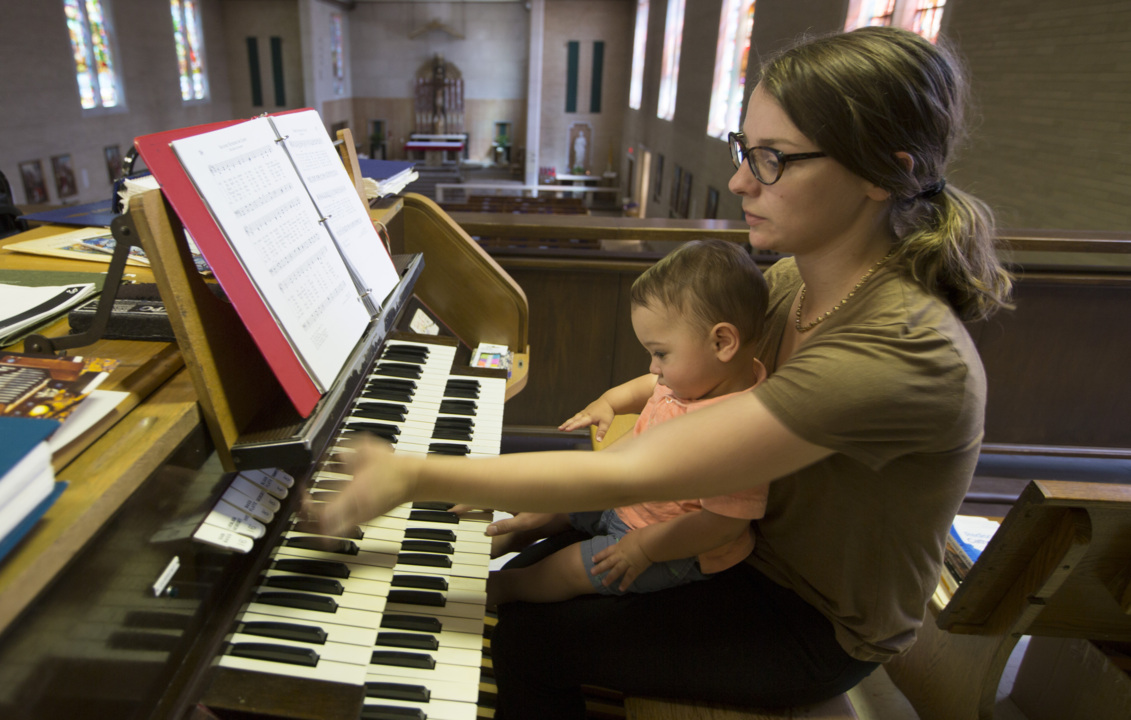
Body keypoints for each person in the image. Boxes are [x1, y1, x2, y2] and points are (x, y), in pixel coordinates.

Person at [314, 26, 1013, 718]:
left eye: (773, 159)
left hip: (810, 620)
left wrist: (411, 474)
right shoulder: (792, 283)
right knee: (524, 551)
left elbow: (633, 470)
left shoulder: (898, 349)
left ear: (878, 173)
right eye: (745, 150)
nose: (740, 179)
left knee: (532, 637)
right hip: (736, 549)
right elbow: (677, 410)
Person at [487, 239, 770, 608]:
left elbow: (722, 525)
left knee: (571, 569)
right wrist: (610, 402)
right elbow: (648, 386)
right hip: (629, 498)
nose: (654, 367)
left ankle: (506, 588)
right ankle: (512, 537)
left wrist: (645, 547)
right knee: (560, 502)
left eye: (660, 353)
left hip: (666, 542)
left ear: (722, 342)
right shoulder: (697, 378)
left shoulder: (739, 433)